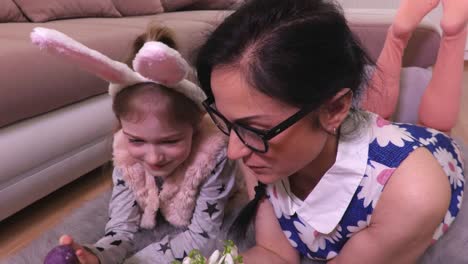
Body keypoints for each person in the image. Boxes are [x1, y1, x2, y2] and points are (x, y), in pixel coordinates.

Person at [195, 0, 467, 263]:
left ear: (334, 109)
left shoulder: (414, 194)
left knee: (433, 121)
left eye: (255, 129)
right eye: (228, 123)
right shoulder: (254, 144)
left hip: (428, 163)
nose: (233, 151)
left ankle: (435, 31)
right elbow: (274, 252)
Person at [32, 24, 239, 264]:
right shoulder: (126, 157)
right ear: (122, 129)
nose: (153, 158)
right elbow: (120, 230)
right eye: (137, 140)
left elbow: (203, 235)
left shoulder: (215, 156)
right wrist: (95, 256)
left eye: (170, 141)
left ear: (196, 126)